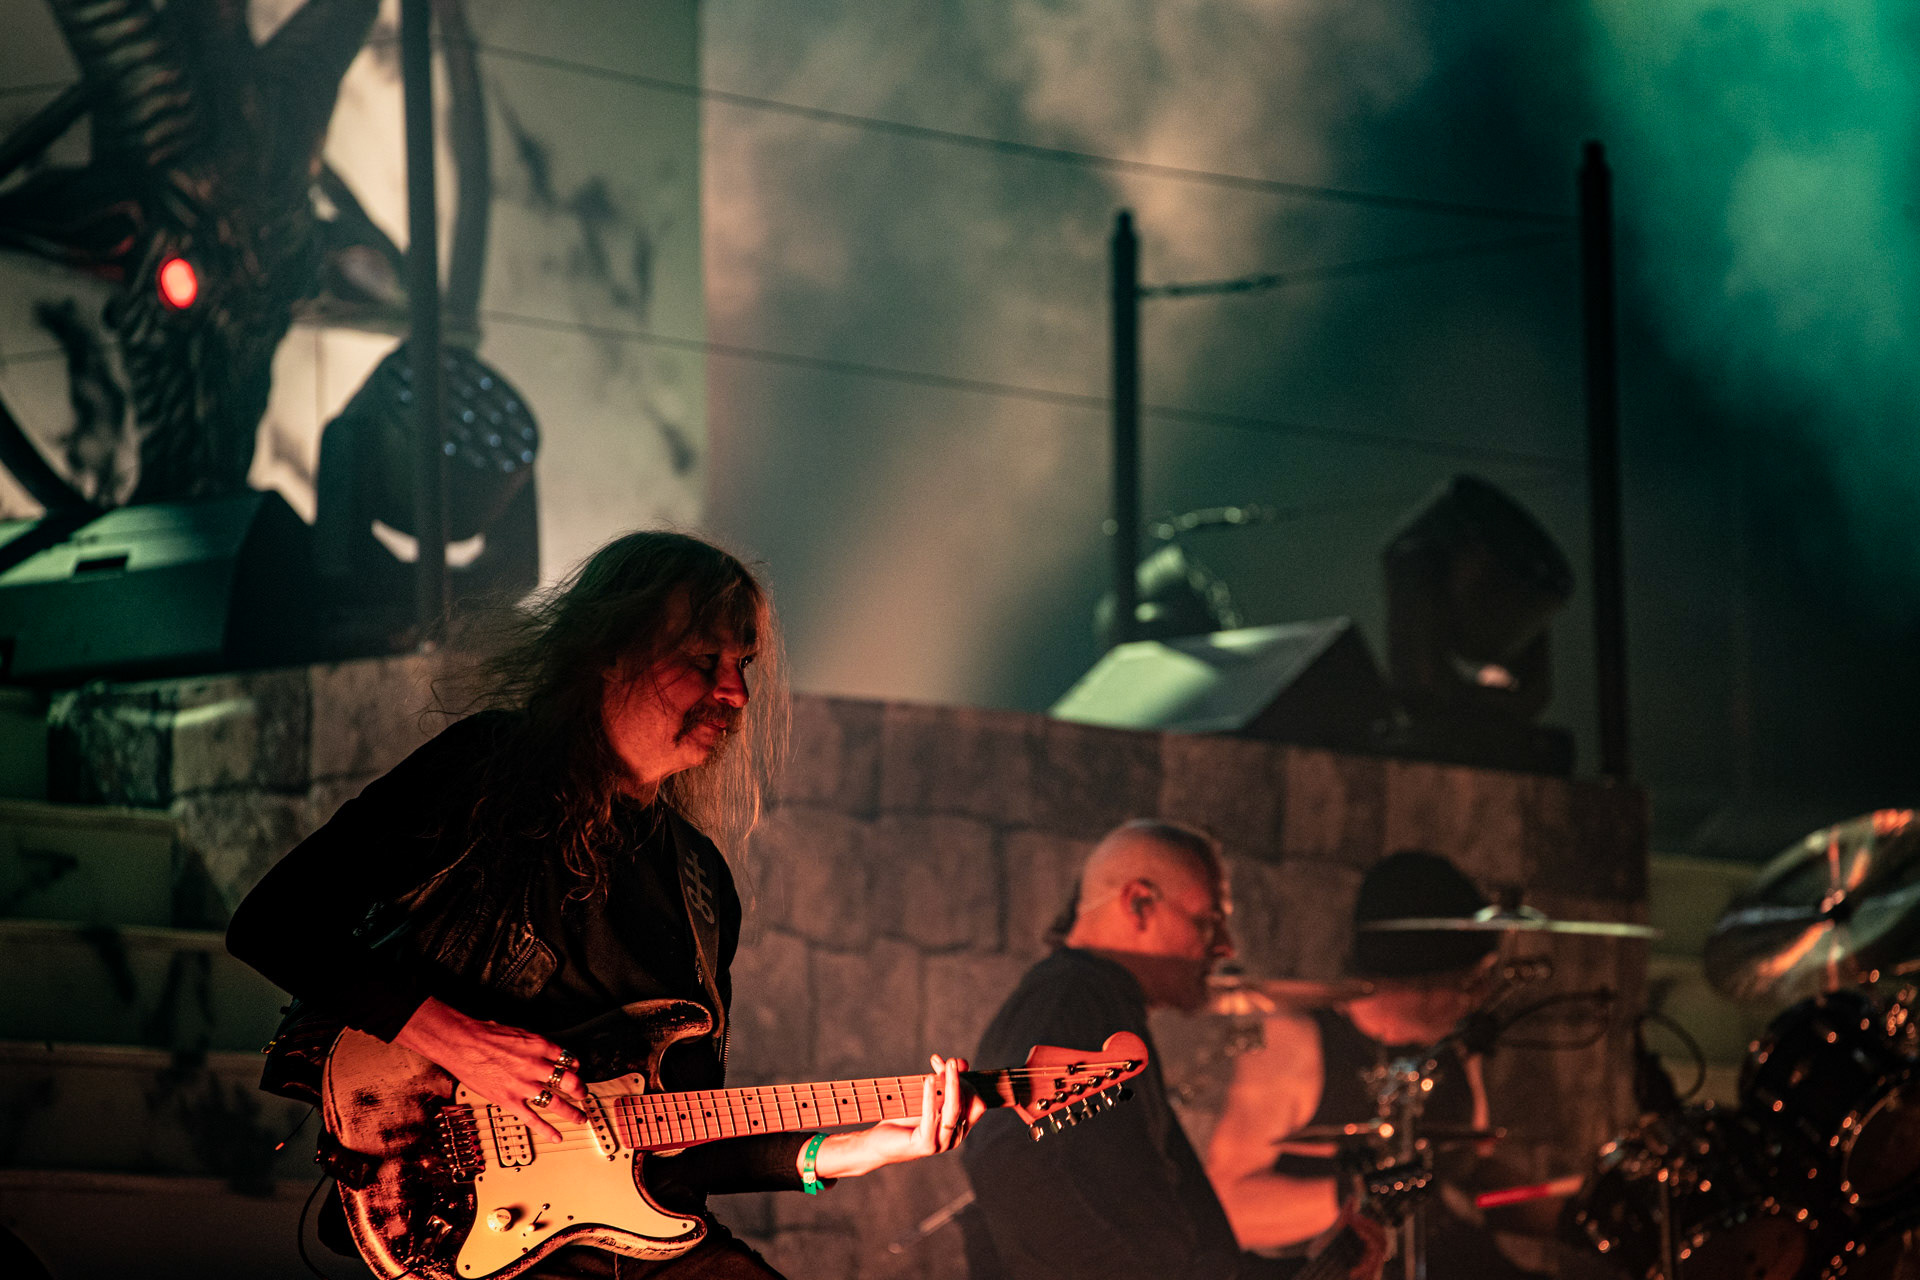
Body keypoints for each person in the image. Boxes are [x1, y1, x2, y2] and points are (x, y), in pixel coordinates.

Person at [227, 530, 984, 1279]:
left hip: (628, 1237)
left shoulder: (700, 882)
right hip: (462, 1217)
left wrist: (856, 1150)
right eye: (704, 661)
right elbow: (274, 922)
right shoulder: (487, 770)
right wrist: (458, 1042)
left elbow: (680, 1131)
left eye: (743, 665)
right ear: (607, 652)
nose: (737, 692)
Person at [959, 820, 1324, 1280]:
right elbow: (1003, 1153)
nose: (1225, 947)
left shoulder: (1102, 1005)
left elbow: (1175, 1246)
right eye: (1208, 922)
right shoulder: (1069, 999)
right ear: (1139, 903)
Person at [1206, 850, 1531, 1280]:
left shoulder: (1453, 1041)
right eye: (1472, 980)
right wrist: (1363, 1194)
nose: (1482, 995)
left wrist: (1569, 1214)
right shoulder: (1297, 1044)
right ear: (1424, 976)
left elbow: (1473, 1166)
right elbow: (1228, 1208)